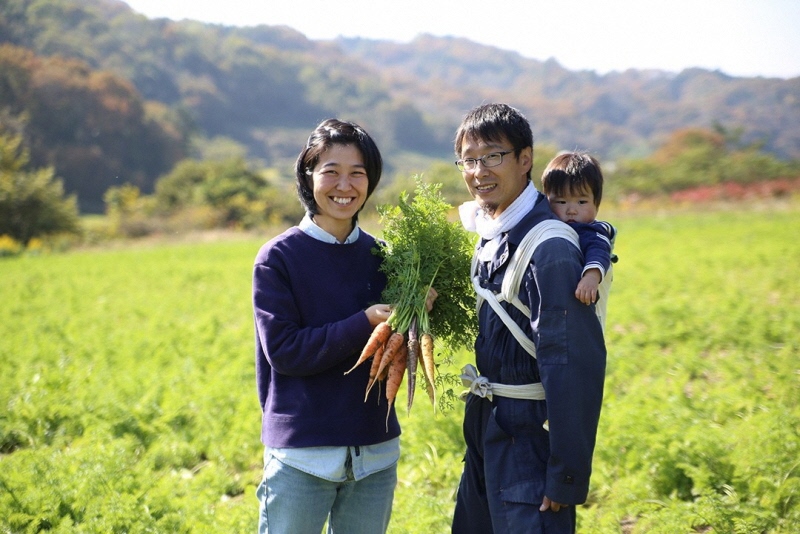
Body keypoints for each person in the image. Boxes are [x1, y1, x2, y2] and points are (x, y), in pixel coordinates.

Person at [451, 103, 606, 534]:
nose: (479, 170)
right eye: (469, 159)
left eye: (493, 156)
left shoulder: (549, 246)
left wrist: (566, 475)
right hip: (488, 426)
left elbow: (573, 368)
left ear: (525, 159)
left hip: (530, 440)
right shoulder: (492, 231)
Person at [253, 118, 399, 534]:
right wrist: (366, 320)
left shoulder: (384, 256)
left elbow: (399, 345)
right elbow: (286, 351)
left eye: (357, 173)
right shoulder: (278, 257)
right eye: (331, 172)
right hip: (303, 456)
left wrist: (417, 312)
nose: (344, 185)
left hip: (375, 453)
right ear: (308, 175)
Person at [541, 152, 617, 331]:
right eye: (561, 201)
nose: (571, 210)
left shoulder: (592, 231)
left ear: (596, 204)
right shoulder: (547, 227)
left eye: (582, 202)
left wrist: (591, 276)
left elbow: (598, 251)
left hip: (584, 311)